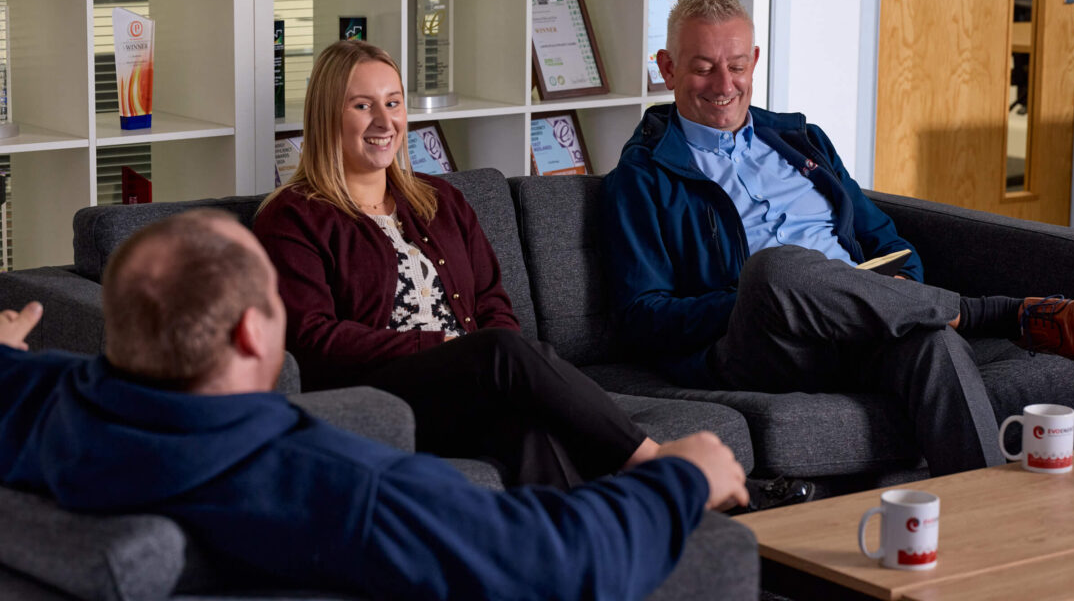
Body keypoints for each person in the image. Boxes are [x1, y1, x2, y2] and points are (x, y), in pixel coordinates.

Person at [0, 210, 750, 601]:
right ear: (254, 331)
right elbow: (561, 565)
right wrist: (682, 475)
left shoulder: (46, 406)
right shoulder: (339, 486)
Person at [603, 0, 1074, 478]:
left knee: (932, 343)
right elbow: (643, 317)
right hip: (760, 344)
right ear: (667, 68)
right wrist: (751, 297)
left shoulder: (801, 140)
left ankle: (984, 531)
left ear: (756, 61)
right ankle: (993, 315)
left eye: (738, 66)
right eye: (703, 68)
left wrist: (886, 288)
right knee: (776, 267)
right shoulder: (642, 177)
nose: (724, 84)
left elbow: (890, 244)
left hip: (860, 325)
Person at [254, 40, 663, 490]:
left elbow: (493, 303)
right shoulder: (294, 216)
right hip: (375, 397)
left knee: (531, 433)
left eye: (393, 103)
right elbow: (312, 338)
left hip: (471, 384)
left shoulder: (440, 199)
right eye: (362, 105)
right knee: (499, 350)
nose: (384, 121)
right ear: (327, 114)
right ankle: (650, 460)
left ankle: (572, 554)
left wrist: (483, 361)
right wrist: (438, 344)